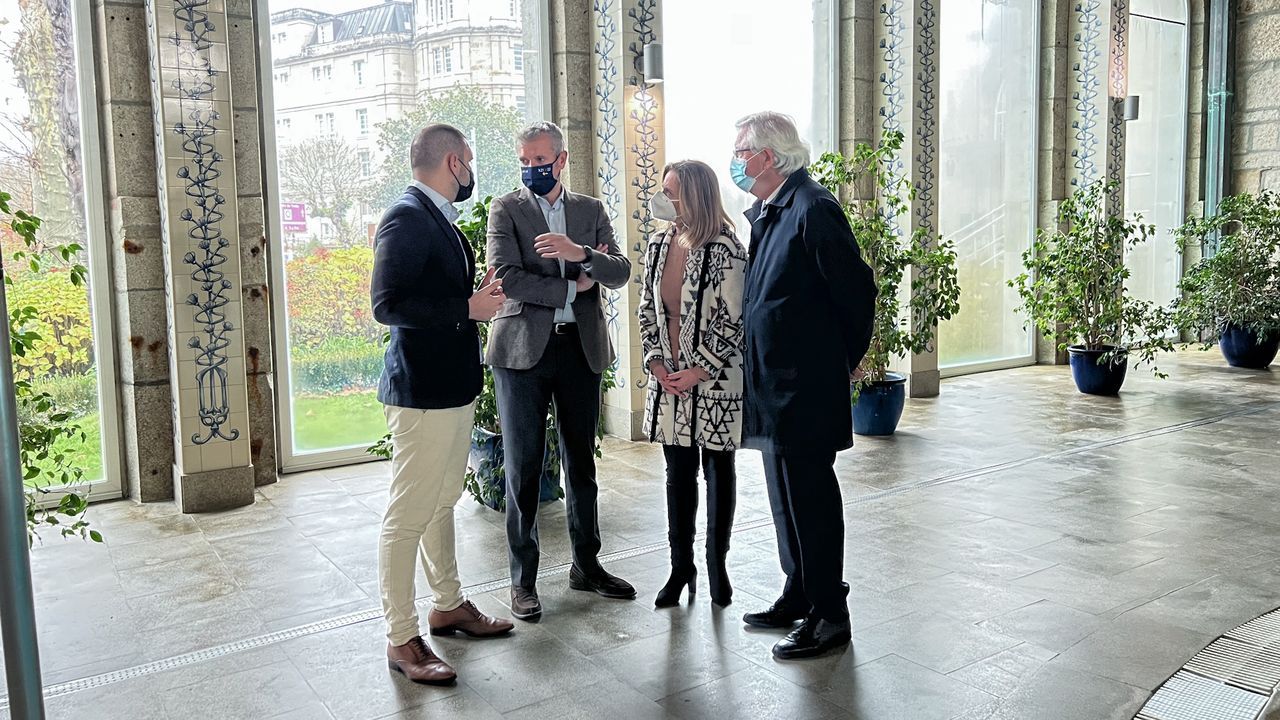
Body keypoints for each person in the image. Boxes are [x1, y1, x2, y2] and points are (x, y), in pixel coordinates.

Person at [371, 123, 515, 685]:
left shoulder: (435, 217)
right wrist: (465, 308)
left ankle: (448, 604)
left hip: (451, 387)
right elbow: (387, 304)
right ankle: (401, 637)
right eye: (470, 162)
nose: (471, 174)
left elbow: (432, 293)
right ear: (454, 162)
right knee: (407, 515)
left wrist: (471, 296)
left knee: (441, 502)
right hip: (422, 394)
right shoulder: (406, 216)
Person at [730, 111, 876, 659]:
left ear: (769, 157)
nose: (738, 160)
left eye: (743, 151)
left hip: (804, 388)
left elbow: (857, 294)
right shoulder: (771, 210)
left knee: (810, 500)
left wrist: (841, 361)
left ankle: (828, 614)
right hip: (770, 386)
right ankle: (799, 592)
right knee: (783, 499)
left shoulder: (814, 208)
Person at [486, 121, 635, 621]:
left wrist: (580, 255)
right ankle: (522, 581)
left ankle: (587, 566)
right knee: (524, 468)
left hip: (580, 350)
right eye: (524, 161)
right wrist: (574, 288)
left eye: (540, 159)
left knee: (581, 464)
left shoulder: (590, 210)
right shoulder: (506, 208)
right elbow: (507, 276)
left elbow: (618, 270)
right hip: (522, 354)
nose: (531, 168)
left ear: (562, 159)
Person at [637, 160, 747, 608]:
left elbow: (734, 318)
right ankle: (680, 567)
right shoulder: (659, 244)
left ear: (695, 196)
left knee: (719, 471)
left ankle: (716, 563)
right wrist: (657, 363)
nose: (664, 199)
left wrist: (699, 367)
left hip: (716, 380)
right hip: (669, 382)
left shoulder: (727, 248)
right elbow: (647, 307)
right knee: (677, 474)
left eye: (672, 191)